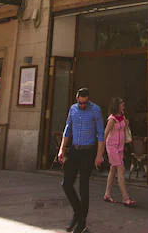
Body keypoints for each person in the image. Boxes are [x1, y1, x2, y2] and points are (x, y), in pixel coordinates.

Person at [57, 87, 105, 233]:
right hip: (74, 150)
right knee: (66, 184)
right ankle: (78, 213)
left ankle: (82, 222)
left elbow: (101, 134)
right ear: (77, 99)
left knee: (84, 186)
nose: (83, 106)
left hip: (88, 152)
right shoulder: (73, 109)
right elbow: (67, 128)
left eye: (85, 103)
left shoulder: (95, 110)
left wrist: (99, 154)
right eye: (81, 103)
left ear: (88, 99)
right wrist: (62, 148)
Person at [102, 97, 134, 207]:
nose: (123, 104)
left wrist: (126, 122)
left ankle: (107, 193)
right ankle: (125, 197)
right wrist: (101, 150)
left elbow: (124, 128)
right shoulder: (112, 119)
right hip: (112, 146)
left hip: (120, 147)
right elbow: (105, 133)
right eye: (121, 103)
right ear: (117, 105)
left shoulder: (122, 117)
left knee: (113, 168)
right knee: (121, 168)